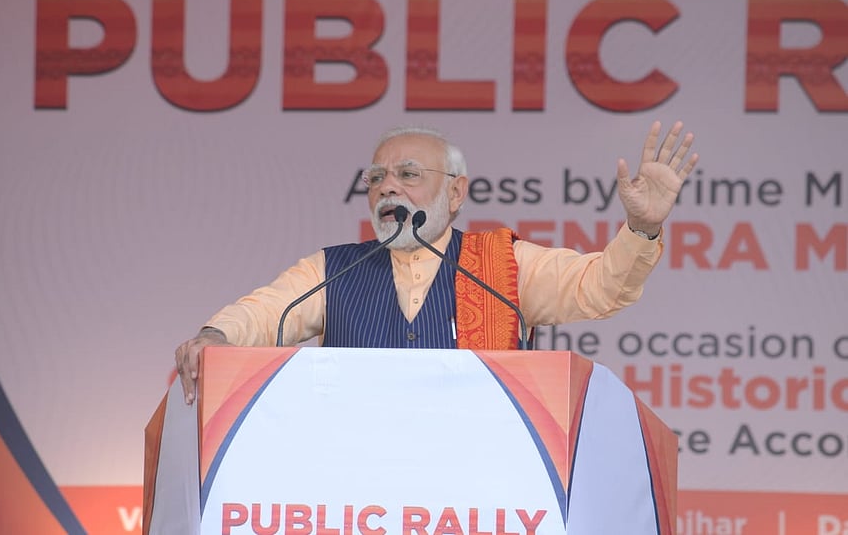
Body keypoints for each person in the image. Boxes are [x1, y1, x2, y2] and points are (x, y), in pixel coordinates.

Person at [175, 121, 698, 403]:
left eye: (407, 174)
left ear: (455, 193)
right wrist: (216, 338)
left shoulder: (501, 266)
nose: (388, 187)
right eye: (376, 178)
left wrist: (643, 228)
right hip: (356, 493)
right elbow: (266, 313)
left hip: (479, 499)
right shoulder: (334, 270)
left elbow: (599, 288)